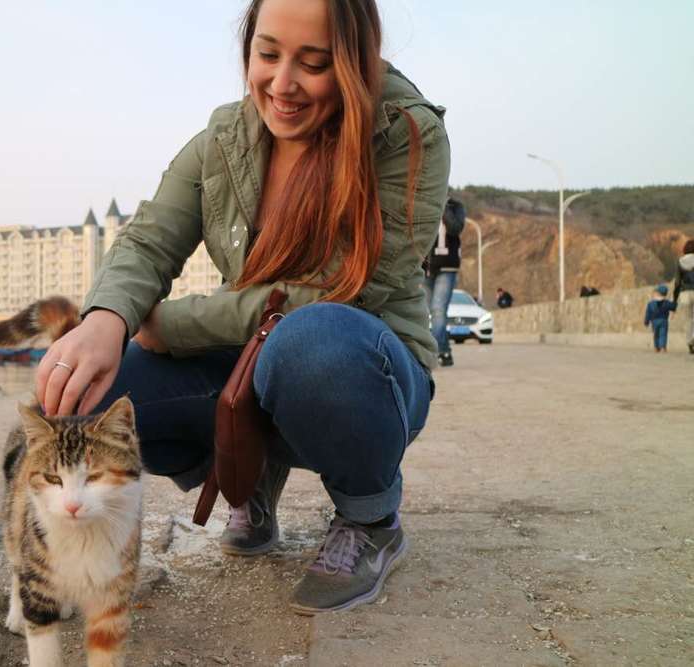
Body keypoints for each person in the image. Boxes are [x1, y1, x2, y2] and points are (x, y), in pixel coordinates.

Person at [35, 0, 449, 615]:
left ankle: (371, 517)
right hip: (248, 366)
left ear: (354, 63)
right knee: (93, 397)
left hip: (365, 376)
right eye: (268, 54)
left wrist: (170, 323)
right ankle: (246, 478)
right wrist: (104, 322)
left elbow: (349, 291)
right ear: (248, 46)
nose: (282, 85)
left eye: (314, 63)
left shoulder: (405, 135)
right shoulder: (222, 139)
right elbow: (149, 240)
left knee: (313, 340)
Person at [422, 197, 465, 367]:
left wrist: (443, 207)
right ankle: (445, 351)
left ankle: (437, 351)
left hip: (447, 267)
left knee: (438, 310)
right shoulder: (426, 201)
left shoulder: (456, 206)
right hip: (426, 267)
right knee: (426, 312)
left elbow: (455, 228)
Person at [671, 239, 694, 354]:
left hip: (685, 293)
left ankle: (690, 342)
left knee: (688, 319)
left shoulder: (680, 262)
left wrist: (675, 299)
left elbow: (677, 282)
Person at [644, 285, 677, 353]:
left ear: (657, 293)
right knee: (663, 334)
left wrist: (646, 322)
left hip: (654, 321)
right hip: (664, 321)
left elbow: (648, 313)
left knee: (656, 334)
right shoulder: (666, 303)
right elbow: (673, 307)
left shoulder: (651, 303)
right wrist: (675, 302)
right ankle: (662, 347)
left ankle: (656, 347)